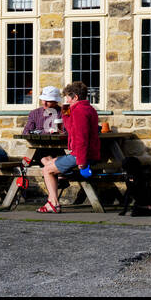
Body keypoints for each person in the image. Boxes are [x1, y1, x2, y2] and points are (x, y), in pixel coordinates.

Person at [38, 81, 99, 213]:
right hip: (85, 154)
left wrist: (81, 162)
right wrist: (66, 107)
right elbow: (69, 127)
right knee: (47, 161)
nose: (66, 100)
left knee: (46, 169)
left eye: (67, 97)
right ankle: (53, 199)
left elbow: (81, 139)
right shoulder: (89, 108)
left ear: (75, 97)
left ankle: (53, 203)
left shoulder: (79, 111)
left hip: (81, 155)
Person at [22, 85, 63, 168]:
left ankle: (55, 171)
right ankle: (58, 172)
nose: (44, 103)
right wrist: (47, 132)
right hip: (39, 150)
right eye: (43, 99)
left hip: (58, 149)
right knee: (43, 158)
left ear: (56, 101)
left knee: (47, 161)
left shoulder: (64, 113)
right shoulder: (34, 113)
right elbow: (26, 132)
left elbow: (66, 131)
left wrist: (39, 132)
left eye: (48, 101)